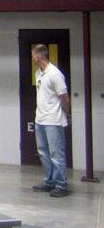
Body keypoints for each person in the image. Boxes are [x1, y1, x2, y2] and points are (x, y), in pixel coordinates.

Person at [31, 44, 70, 198]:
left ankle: (61, 185)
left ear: (39, 56)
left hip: (53, 120)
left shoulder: (55, 74)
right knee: (43, 153)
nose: (33, 58)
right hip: (40, 119)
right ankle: (50, 181)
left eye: (33, 55)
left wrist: (67, 114)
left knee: (56, 154)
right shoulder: (38, 73)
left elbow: (64, 97)